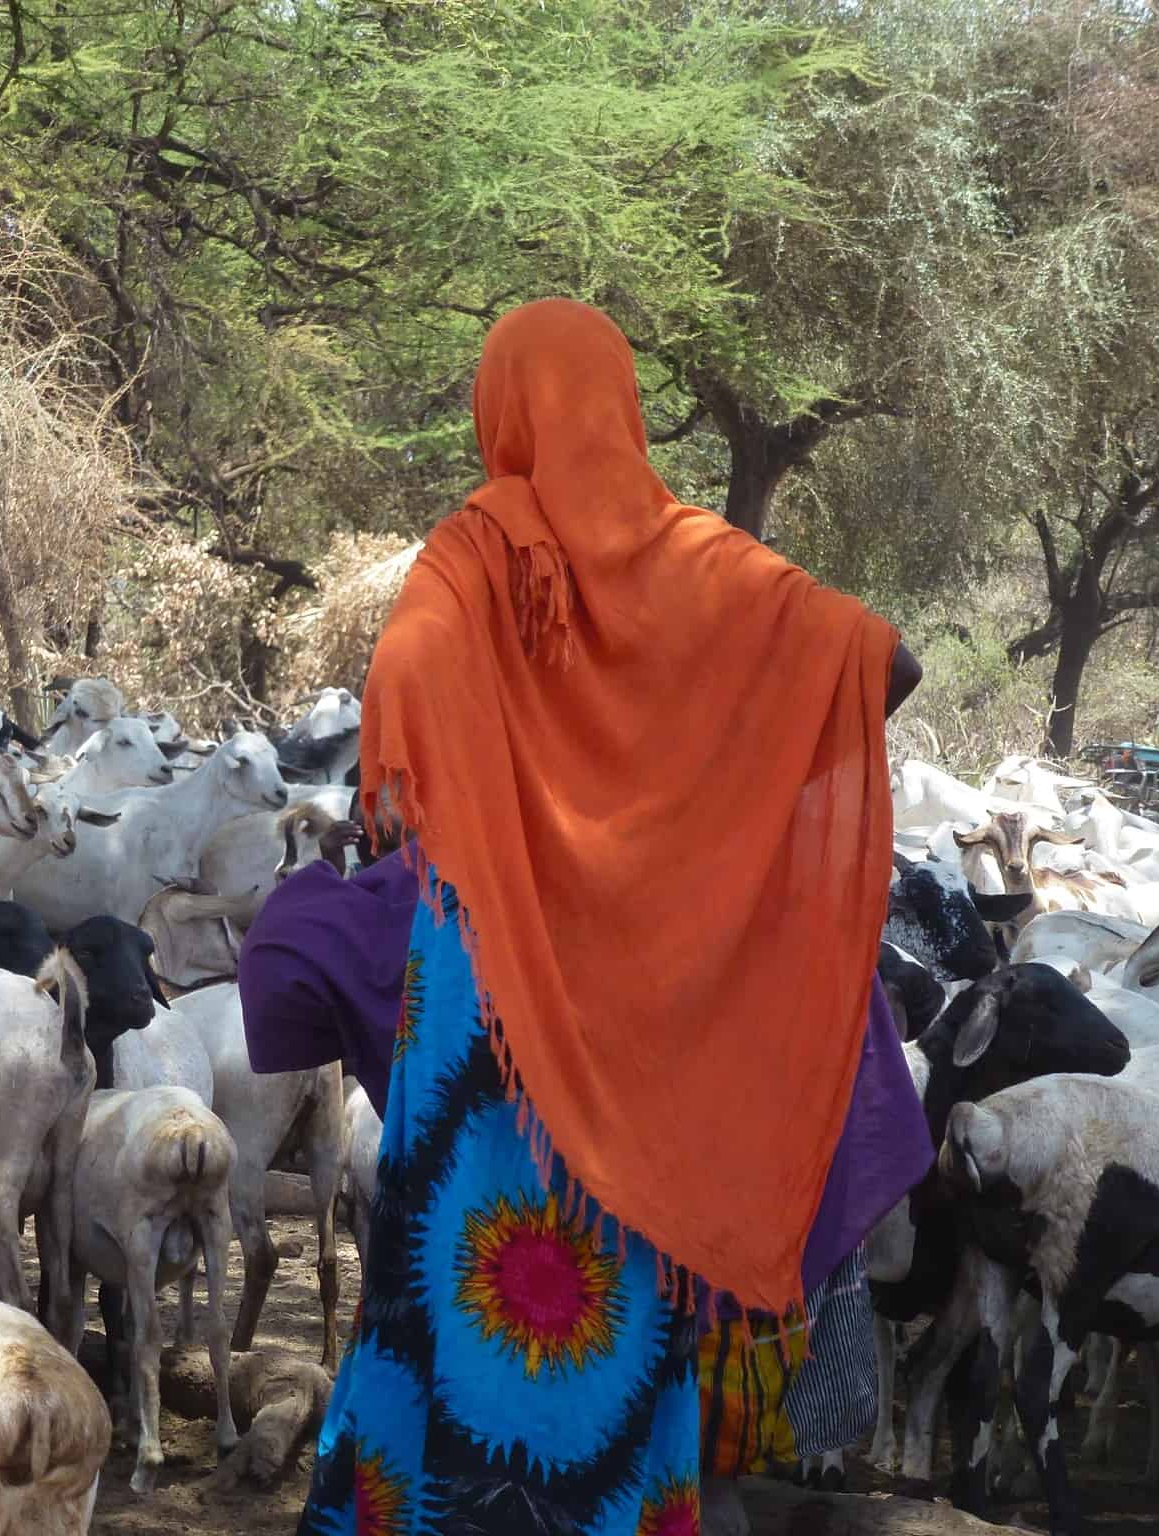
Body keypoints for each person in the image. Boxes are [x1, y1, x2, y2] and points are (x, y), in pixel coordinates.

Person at [286, 299, 926, 1536]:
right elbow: (879, 665)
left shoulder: (476, 550)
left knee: (454, 1252)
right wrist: (704, 813)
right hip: (650, 1004)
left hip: (492, 994)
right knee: (623, 1258)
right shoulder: (702, 561)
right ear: (622, 403)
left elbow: (399, 696)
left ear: (504, 407)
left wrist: (502, 800)